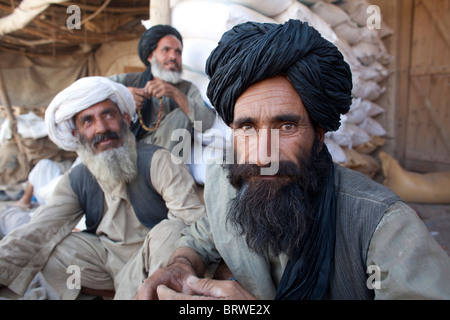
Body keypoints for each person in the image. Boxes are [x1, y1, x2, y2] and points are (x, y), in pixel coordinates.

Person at [134, 20, 450, 300]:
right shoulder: (225, 182)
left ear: (320, 133)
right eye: (247, 127)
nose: (263, 154)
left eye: (286, 126)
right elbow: (204, 235)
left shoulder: (383, 226)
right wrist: (181, 264)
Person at [0, 76, 205, 300]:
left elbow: (194, 224)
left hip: (153, 260)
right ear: (75, 134)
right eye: (88, 121)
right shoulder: (76, 179)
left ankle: (141, 292)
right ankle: (119, 293)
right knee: (49, 245)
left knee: (173, 231)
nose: (101, 128)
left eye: (108, 115)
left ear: (126, 119)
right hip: (104, 263)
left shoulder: (159, 161)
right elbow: (38, 229)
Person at [109, 24, 216, 153]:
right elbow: (91, 89)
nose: (173, 56)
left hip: (163, 154)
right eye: (166, 50)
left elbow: (207, 123)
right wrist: (123, 95)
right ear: (150, 56)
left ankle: (160, 169)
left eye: (178, 52)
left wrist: (176, 94)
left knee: (181, 116)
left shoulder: (187, 88)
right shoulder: (131, 80)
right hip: (126, 147)